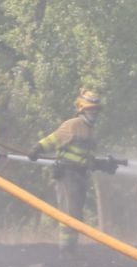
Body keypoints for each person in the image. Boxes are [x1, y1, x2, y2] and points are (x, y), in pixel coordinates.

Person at [36, 89, 102, 249]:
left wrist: (99, 164)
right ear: (82, 109)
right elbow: (53, 139)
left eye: (96, 109)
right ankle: (66, 248)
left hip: (80, 175)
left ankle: (71, 246)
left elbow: (87, 155)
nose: (94, 113)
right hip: (67, 173)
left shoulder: (91, 130)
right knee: (68, 212)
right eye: (90, 109)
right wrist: (37, 148)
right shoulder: (73, 124)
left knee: (77, 212)